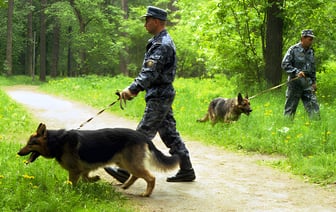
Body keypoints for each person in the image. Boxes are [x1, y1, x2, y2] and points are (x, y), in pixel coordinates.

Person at [104, 6, 196, 182]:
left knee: (141, 134)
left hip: (160, 95)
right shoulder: (158, 41)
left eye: (147, 20)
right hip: (160, 93)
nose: (145, 23)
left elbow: (149, 73)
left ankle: (124, 171)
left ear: (156, 21)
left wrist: (132, 89)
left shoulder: (162, 44)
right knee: (169, 133)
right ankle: (187, 170)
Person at [281, 29, 320, 119]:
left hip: (308, 84)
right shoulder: (293, 50)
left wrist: (314, 82)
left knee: (314, 109)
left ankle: (316, 127)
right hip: (295, 84)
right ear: (303, 38)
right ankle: (285, 130)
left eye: (312, 39)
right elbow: (285, 64)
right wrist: (296, 72)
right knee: (290, 110)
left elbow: (312, 68)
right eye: (309, 39)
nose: (311, 41)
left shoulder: (311, 51)